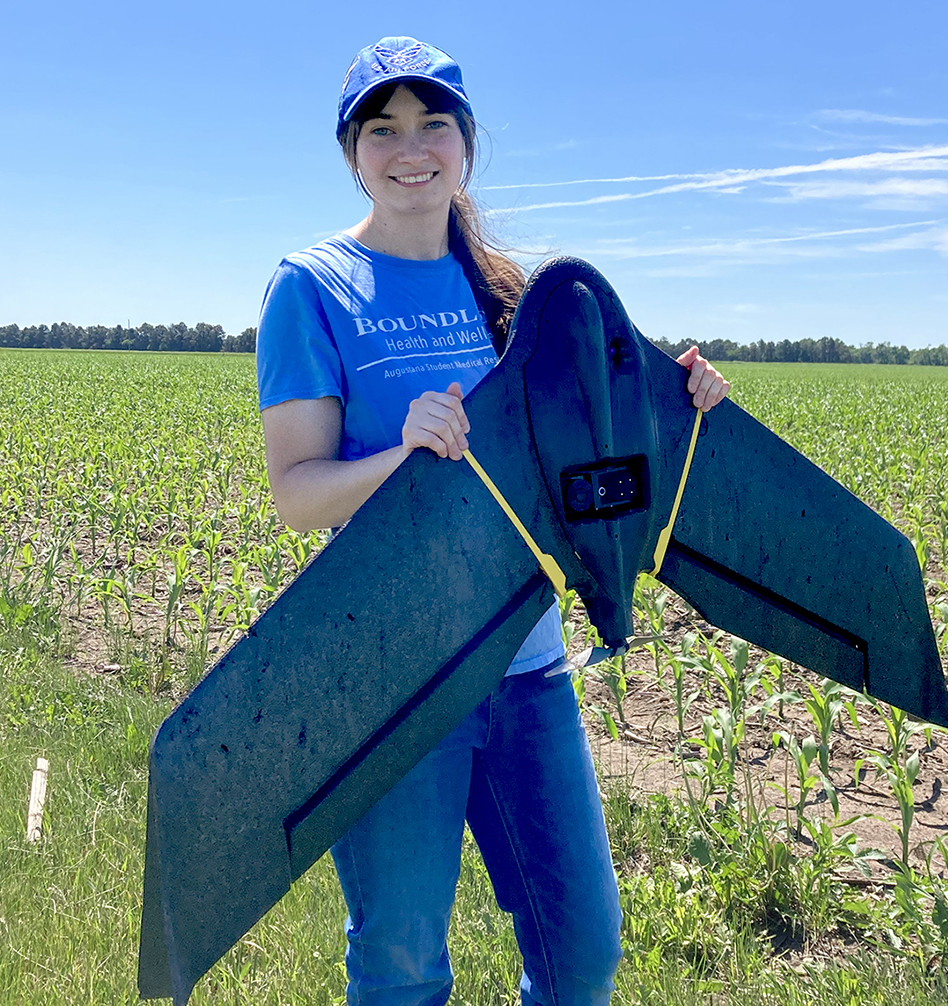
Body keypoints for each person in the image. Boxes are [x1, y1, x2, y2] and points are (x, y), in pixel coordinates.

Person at [255, 36, 731, 1006]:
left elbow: (585, 473)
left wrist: (679, 404)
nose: (410, 147)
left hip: (526, 670)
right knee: (399, 962)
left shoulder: (504, 291)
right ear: (353, 153)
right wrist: (402, 455)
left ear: (464, 145)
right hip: (391, 683)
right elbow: (297, 493)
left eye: (433, 123)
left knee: (582, 951)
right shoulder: (310, 287)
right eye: (382, 129)